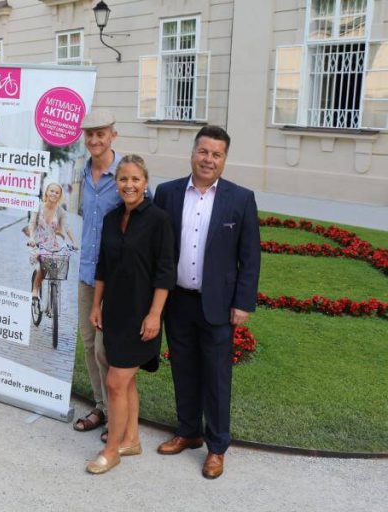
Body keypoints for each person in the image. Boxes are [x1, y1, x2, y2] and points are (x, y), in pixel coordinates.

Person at [153, 125, 261, 479]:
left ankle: (217, 447)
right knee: (183, 368)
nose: (208, 159)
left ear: (224, 159)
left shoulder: (240, 199)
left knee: (216, 377)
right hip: (178, 300)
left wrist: (242, 303)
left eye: (216, 154)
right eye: (203, 151)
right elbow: (157, 248)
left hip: (218, 304)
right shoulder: (167, 193)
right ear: (193, 152)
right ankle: (188, 431)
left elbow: (250, 256)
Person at [85, 155, 175, 474]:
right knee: (125, 382)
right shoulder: (111, 219)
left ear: (145, 183)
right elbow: (103, 267)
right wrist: (97, 305)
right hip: (115, 314)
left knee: (116, 382)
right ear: (117, 183)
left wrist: (154, 315)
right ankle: (131, 439)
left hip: (142, 317)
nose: (129, 185)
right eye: (123, 179)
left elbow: (165, 273)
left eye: (135, 179)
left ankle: (112, 450)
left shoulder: (158, 220)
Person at [73, 109, 123, 440]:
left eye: (100, 133)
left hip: (115, 278)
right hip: (85, 272)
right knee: (90, 343)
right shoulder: (81, 173)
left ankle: (119, 413)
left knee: (110, 348)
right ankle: (100, 406)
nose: (94, 140)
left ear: (112, 136)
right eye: (89, 134)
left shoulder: (126, 174)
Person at [27, 182, 77, 300]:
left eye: (57, 192)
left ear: (60, 195)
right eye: (52, 191)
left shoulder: (60, 211)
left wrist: (74, 242)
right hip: (38, 243)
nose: (54, 194)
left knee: (56, 266)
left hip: (52, 244)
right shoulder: (38, 206)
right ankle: (35, 289)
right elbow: (32, 222)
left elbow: (67, 226)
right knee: (44, 266)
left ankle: (52, 297)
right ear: (47, 192)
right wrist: (31, 238)